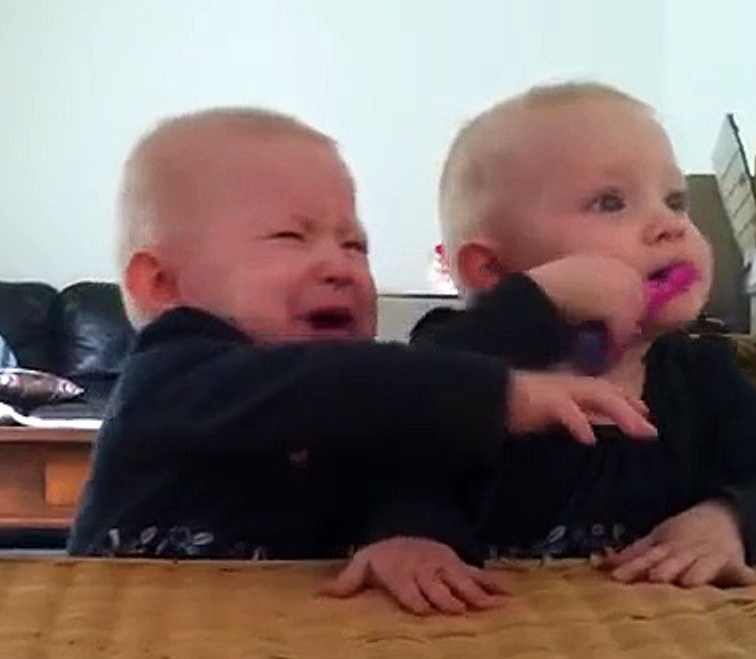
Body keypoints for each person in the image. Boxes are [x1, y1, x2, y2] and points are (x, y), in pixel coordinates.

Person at [67, 106, 656, 614]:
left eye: (355, 244)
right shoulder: (168, 376)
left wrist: (406, 534)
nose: (340, 265)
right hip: (130, 650)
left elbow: (408, 470)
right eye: (290, 238)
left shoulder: (359, 398)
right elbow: (325, 389)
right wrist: (506, 389)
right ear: (161, 282)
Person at [416, 82, 756, 587]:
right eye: (610, 202)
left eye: (676, 201)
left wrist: (728, 520)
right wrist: (533, 304)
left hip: (659, 636)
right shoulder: (454, 360)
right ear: (494, 270)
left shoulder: (702, 377)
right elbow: (397, 426)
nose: (668, 225)